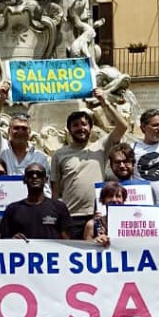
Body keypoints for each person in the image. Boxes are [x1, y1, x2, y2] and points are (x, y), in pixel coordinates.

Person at [50, 93, 128, 235]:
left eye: (84, 124)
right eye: (75, 125)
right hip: (70, 216)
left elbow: (122, 126)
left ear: (90, 128)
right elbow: (55, 190)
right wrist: (57, 216)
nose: (81, 128)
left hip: (97, 215)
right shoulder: (59, 155)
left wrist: (104, 102)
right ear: (69, 129)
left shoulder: (101, 147)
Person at [0, 82, 48, 179]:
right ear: (9, 131)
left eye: (24, 128)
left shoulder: (40, 157)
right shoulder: (1, 148)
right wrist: (2, 99)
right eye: (16, 128)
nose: (20, 131)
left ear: (29, 132)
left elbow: (46, 188)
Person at [1, 163, 73, 240]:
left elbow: (67, 241)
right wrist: (12, 241)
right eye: (30, 174)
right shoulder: (12, 209)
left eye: (39, 174)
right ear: (24, 180)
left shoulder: (59, 207)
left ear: (46, 179)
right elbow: (3, 242)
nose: (34, 176)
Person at [84, 180, 127, 245]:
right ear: (103, 200)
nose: (114, 199)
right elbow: (85, 248)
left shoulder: (132, 224)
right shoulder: (92, 225)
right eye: (110, 196)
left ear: (123, 200)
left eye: (118, 196)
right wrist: (95, 241)